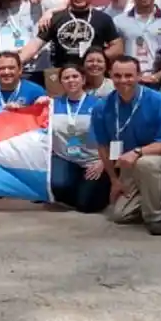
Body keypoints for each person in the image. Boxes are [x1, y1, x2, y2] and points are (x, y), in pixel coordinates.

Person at [91, 56, 161, 235]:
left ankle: (155, 217)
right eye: (117, 76)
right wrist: (114, 180)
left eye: (128, 75)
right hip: (129, 163)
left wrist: (138, 152)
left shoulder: (159, 101)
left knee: (146, 164)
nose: (123, 80)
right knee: (120, 215)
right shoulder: (102, 107)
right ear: (110, 75)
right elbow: (103, 146)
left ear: (139, 75)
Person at [49, 62, 107, 213]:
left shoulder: (99, 104)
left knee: (86, 206)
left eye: (75, 76)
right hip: (65, 158)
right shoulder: (51, 105)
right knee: (58, 186)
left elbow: (113, 134)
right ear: (61, 82)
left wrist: (103, 162)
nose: (71, 80)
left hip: (93, 160)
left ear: (83, 79)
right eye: (66, 78)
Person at [32, 0, 122, 69]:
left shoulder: (103, 18)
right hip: (65, 75)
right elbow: (34, 46)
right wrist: (18, 61)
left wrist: (96, 59)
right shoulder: (56, 18)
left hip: (93, 73)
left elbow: (117, 47)